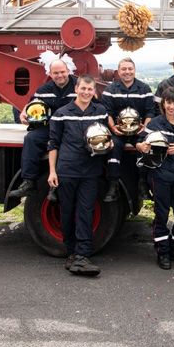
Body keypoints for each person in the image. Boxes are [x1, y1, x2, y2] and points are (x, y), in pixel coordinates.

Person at [48, 75, 108, 276]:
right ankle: (71, 253)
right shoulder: (61, 113)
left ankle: (82, 256)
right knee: (67, 212)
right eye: (83, 88)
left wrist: (110, 144)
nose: (86, 92)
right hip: (67, 170)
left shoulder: (99, 112)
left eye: (90, 90)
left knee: (86, 212)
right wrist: (52, 171)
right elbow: (53, 144)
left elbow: (105, 136)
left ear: (94, 91)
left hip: (91, 171)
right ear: (76, 88)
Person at [136, 87, 174, 270]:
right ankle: (162, 252)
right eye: (168, 102)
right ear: (163, 103)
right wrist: (142, 146)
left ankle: (173, 247)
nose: (171, 106)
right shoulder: (155, 123)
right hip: (159, 174)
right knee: (162, 215)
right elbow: (139, 141)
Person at [9, 58, 76, 198]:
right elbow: (32, 104)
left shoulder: (78, 86)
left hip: (73, 127)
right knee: (31, 139)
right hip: (51, 127)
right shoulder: (44, 89)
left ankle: (58, 186)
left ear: (68, 71)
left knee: (65, 146)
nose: (59, 75)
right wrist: (23, 113)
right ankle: (28, 182)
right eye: (55, 73)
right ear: (50, 74)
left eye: (62, 72)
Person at [101, 57, 156, 202]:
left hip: (139, 131)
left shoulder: (144, 89)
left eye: (130, 69)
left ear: (134, 70)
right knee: (113, 147)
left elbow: (150, 111)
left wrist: (144, 126)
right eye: (124, 69)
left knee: (145, 146)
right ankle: (113, 185)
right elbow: (106, 112)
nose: (127, 72)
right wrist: (113, 127)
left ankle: (142, 184)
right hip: (118, 131)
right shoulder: (110, 89)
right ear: (118, 71)